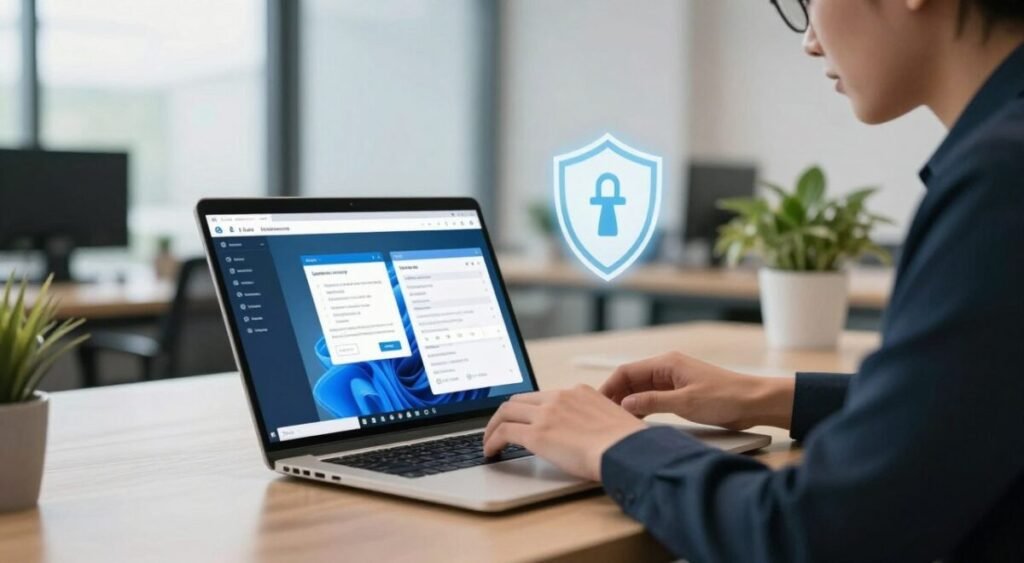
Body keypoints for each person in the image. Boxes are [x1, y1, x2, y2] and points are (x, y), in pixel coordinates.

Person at [482, 0, 1024, 560]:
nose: (810, 41)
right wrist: (768, 397)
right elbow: (976, 404)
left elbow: (815, 534)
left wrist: (618, 445)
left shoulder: (1002, 183)